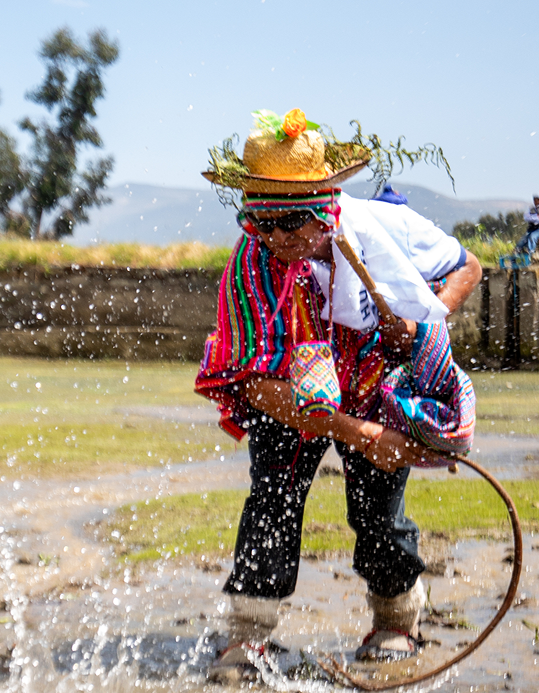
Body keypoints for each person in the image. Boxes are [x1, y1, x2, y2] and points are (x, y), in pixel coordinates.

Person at [196, 108, 480, 681]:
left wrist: (426, 322)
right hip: (291, 388)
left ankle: (397, 620)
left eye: (293, 222)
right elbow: (254, 382)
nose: (278, 238)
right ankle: (249, 635)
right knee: (273, 499)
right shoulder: (252, 267)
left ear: (326, 210)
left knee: (376, 509)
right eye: (263, 224)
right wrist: (355, 432)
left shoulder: (384, 231)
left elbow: (467, 266)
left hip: (375, 377)